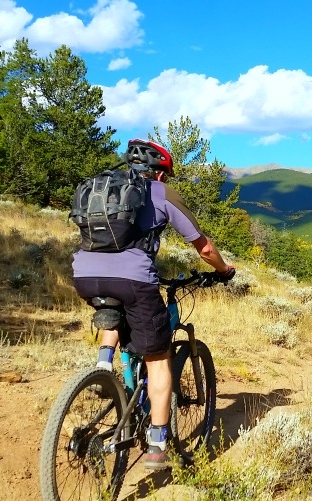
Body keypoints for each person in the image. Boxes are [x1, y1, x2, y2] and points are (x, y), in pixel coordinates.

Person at [71, 138, 235, 469]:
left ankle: (104, 369)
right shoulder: (160, 192)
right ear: (160, 173)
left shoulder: (103, 188)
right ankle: (158, 442)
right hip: (134, 279)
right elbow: (202, 248)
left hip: (85, 275)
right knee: (157, 358)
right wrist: (224, 270)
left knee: (115, 310)